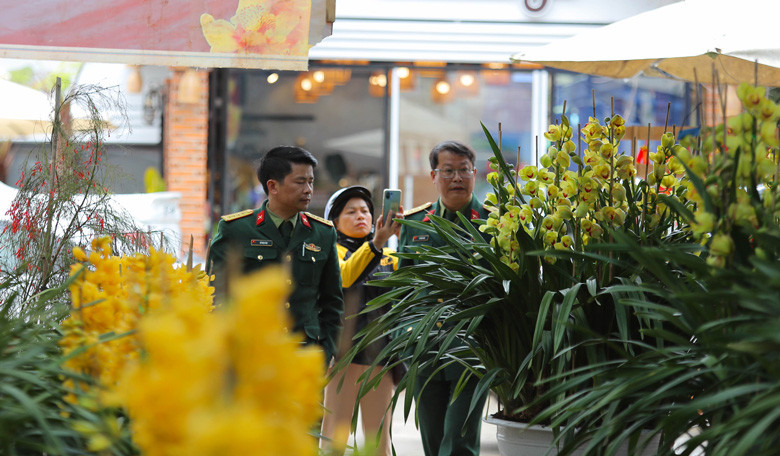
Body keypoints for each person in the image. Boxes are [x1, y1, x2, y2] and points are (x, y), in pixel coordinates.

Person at [207, 145, 344, 364]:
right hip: (251, 355)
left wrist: (326, 351)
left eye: (311, 181)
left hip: (304, 356)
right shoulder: (236, 229)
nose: (308, 189)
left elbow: (332, 302)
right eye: (300, 182)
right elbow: (216, 296)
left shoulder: (323, 233)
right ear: (273, 186)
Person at [398, 140, 489, 456]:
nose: (457, 178)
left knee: (459, 440)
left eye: (464, 170)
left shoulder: (493, 222)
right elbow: (403, 288)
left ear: (474, 173)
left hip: (473, 344)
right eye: (448, 171)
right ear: (434, 176)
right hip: (425, 344)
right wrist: (404, 335)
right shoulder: (414, 224)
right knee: (433, 439)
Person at [320, 186, 402, 456]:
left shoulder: (389, 257)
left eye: (365, 211)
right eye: (351, 212)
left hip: (380, 359)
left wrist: (402, 237)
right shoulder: (331, 252)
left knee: (379, 442)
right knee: (334, 440)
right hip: (342, 359)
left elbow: (412, 283)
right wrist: (377, 243)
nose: (360, 216)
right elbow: (345, 276)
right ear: (335, 221)